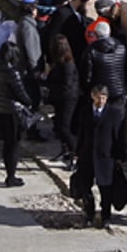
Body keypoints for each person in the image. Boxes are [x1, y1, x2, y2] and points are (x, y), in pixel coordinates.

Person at [75, 84, 127, 228]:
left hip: (106, 156)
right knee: (85, 186)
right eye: (99, 97)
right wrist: (78, 151)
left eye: (104, 98)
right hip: (88, 155)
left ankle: (106, 215)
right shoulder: (85, 111)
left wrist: (119, 156)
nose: (101, 101)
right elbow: (81, 133)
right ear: (93, 96)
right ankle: (89, 212)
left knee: (106, 188)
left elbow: (118, 136)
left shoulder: (114, 113)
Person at [0, 42, 34, 187]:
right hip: (13, 111)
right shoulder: (12, 72)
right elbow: (19, 92)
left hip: (1, 109)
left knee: (7, 144)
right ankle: (11, 176)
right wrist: (29, 102)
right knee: (14, 145)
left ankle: (9, 173)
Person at [82, 20, 127, 107]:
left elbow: (86, 75)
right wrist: (121, 81)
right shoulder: (122, 47)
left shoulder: (91, 51)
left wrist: (90, 91)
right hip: (118, 93)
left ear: (95, 34)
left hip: (99, 95)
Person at [45, 33, 80, 167]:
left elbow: (66, 85)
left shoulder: (67, 64)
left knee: (64, 128)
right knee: (58, 126)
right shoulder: (59, 62)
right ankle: (65, 151)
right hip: (61, 98)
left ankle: (75, 154)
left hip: (67, 99)